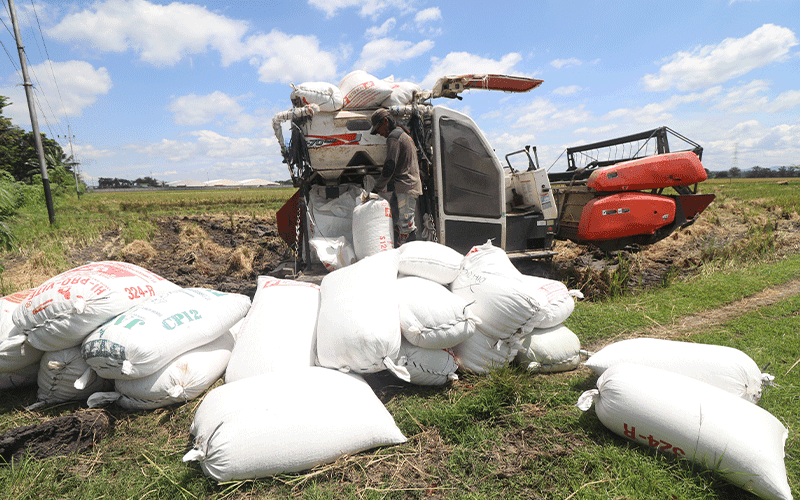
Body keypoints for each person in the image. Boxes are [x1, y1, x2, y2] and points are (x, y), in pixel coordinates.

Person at [369, 108, 423, 245]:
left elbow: (389, 166)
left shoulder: (394, 136)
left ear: (385, 121)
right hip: (405, 186)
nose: (379, 134)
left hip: (406, 186)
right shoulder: (403, 134)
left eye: (378, 129)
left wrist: (376, 190)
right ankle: (398, 250)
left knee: (406, 225)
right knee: (395, 220)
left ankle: (411, 257)